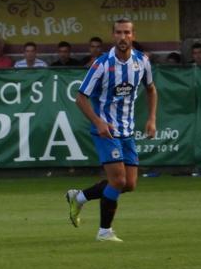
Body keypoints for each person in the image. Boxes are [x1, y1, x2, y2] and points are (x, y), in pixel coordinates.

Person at [66, 18, 157, 242]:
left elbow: (151, 89)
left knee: (129, 184)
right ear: (113, 35)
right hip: (105, 131)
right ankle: (104, 232)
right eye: (118, 32)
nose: (123, 37)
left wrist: (152, 119)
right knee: (117, 181)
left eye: (127, 32)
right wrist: (98, 122)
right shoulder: (102, 64)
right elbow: (80, 98)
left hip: (127, 131)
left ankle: (79, 197)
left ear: (133, 35)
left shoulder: (142, 62)